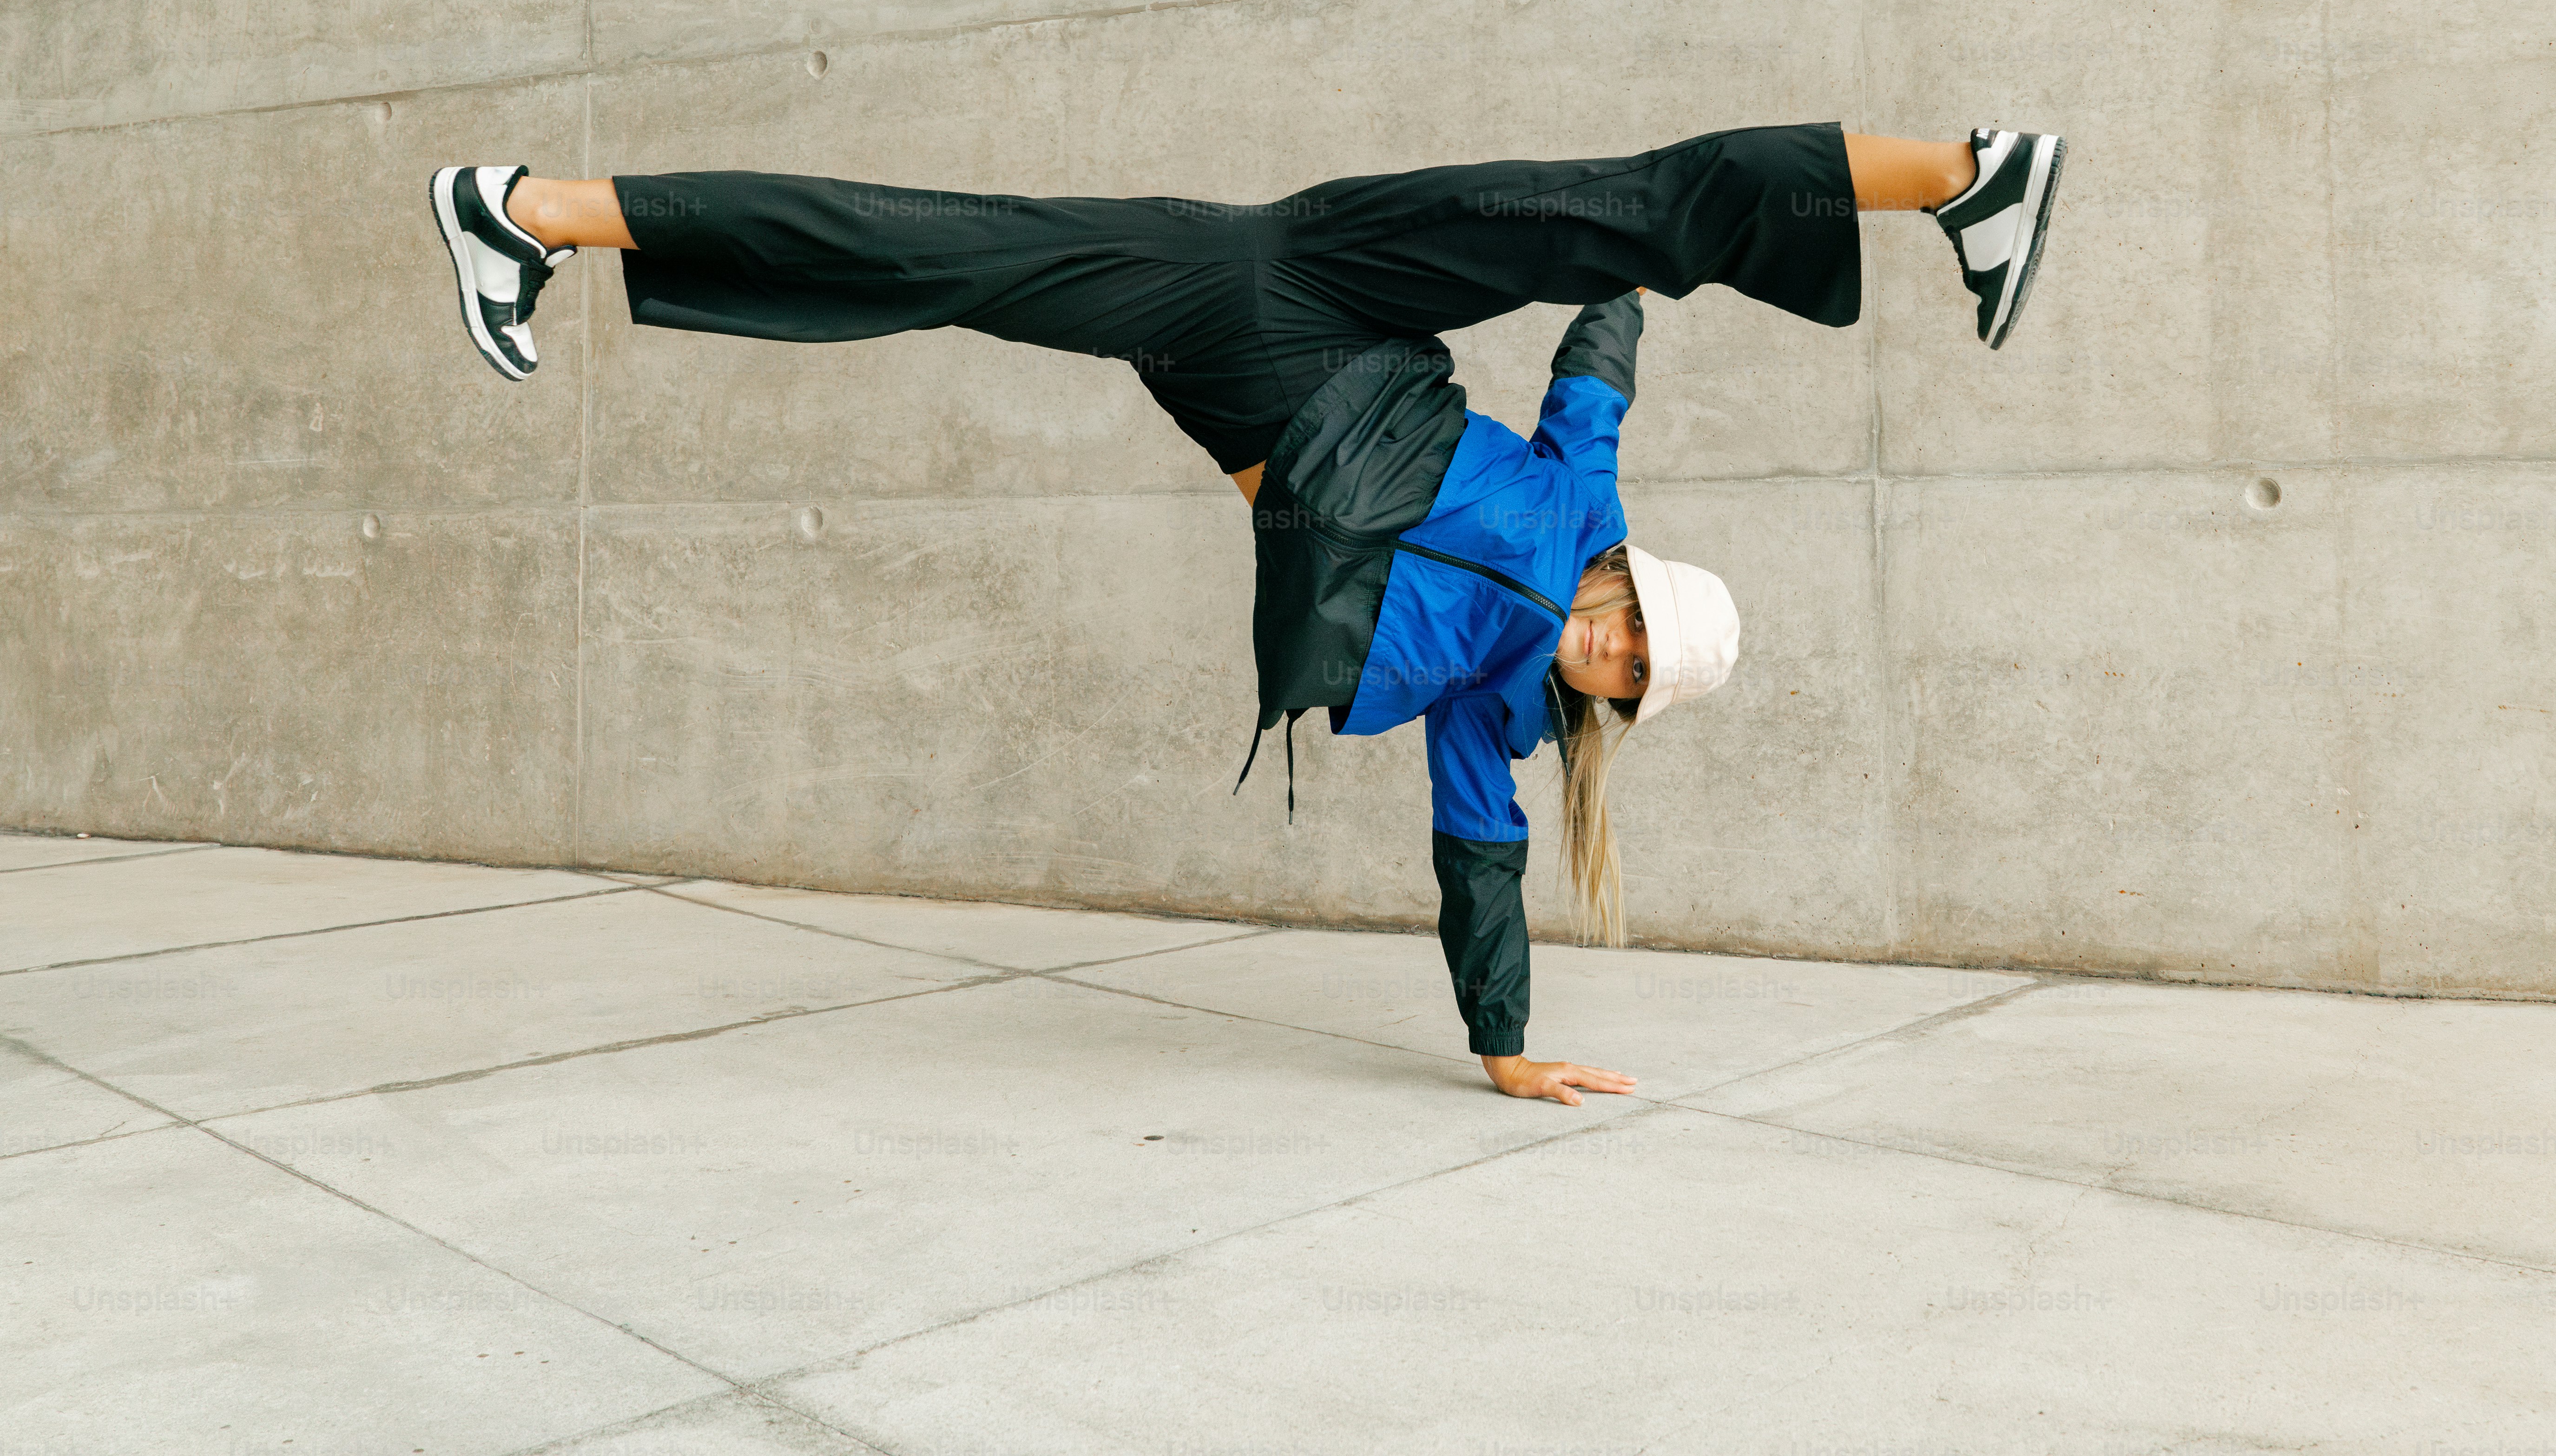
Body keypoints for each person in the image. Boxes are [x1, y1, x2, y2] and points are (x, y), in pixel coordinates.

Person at [428, 122, 2064, 1103]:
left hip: (1230, 356)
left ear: (1614, 703)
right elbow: (1599, 348)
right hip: (1345, 291)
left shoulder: (1490, 714)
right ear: (1628, 576)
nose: (1614, 646)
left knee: (929, 258)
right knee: (1635, 205)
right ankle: (1962, 178)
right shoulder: (1585, 497)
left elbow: (1478, 864)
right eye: (1635, 619)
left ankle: (519, 220)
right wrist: (1630, 270)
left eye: (1632, 676)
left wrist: (1502, 1045)